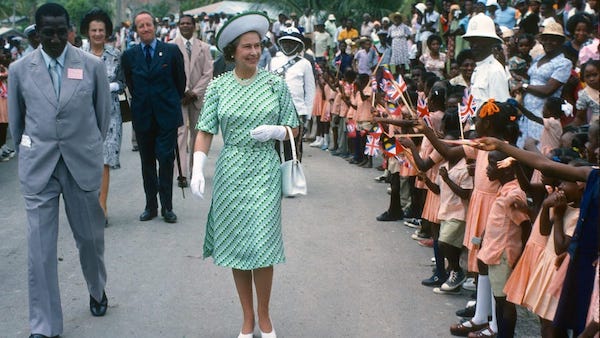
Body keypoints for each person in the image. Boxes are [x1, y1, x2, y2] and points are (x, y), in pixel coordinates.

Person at [189, 12, 300, 338]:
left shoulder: (274, 84)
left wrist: (278, 131)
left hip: (264, 170)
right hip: (231, 171)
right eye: (246, 47)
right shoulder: (219, 86)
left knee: (262, 243)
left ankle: (265, 318)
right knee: (238, 245)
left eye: (257, 45)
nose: (253, 52)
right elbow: (205, 130)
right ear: (233, 51)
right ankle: (247, 319)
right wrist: (197, 167)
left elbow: (295, 127)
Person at [7, 3, 111, 337]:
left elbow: (102, 117)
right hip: (40, 167)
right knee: (39, 249)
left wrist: (88, 148)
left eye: (60, 31)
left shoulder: (91, 66)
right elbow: (19, 122)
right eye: (47, 33)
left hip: (81, 163)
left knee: (90, 240)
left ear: (70, 30)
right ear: (37, 34)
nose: (55, 39)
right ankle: (44, 324)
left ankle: (97, 288)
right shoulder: (20, 70)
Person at [121, 10, 186, 224]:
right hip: (143, 118)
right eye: (141, 26)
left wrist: (168, 103)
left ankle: (167, 207)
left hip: (166, 116)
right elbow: (131, 84)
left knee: (166, 160)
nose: (146, 29)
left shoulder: (171, 51)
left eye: (148, 24)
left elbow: (180, 82)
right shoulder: (129, 56)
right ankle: (151, 206)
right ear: (136, 30)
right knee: (146, 162)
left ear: (154, 26)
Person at [80, 8, 125, 225]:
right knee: (88, 160)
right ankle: (87, 205)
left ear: (106, 32)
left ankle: (102, 206)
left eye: (101, 30)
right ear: (87, 32)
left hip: (110, 114)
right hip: (83, 115)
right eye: (94, 30)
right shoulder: (77, 55)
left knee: (104, 161)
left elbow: (123, 84)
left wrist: (106, 86)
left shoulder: (116, 55)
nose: (98, 33)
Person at [170, 14, 213, 187]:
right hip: (179, 97)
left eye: (188, 23)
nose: (185, 26)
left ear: (194, 26)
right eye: (182, 23)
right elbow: (169, 73)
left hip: (197, 97)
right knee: (180, 134)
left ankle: (195, 171)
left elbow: (208, 73)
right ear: (178, 26)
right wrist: (183, 91)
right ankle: (181, 173)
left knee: (197, 134)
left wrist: (194, 92)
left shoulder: (204, 47)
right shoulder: (171, 46)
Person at [514, 22, 571, 147]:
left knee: (538, 151)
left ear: (560, 42)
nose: (549, 42)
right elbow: (531, 79)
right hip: (527, 111)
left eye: (554, 40)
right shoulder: (538, 58)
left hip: (543, 113)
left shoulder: (563, 63)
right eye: (546, 39)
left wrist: (524, 87)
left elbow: (548, 89)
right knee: (521, 150)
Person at [270, 26, 315, 159]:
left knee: (294, 149)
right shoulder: (273, 61)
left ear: (298, 45)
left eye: (292, 43)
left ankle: (292, 178)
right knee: (274, 149)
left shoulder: (305, 63)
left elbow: (310, 91)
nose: (288, 46)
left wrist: (307, 116)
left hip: (297, 112)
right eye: (285, 42)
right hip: (275, 111)